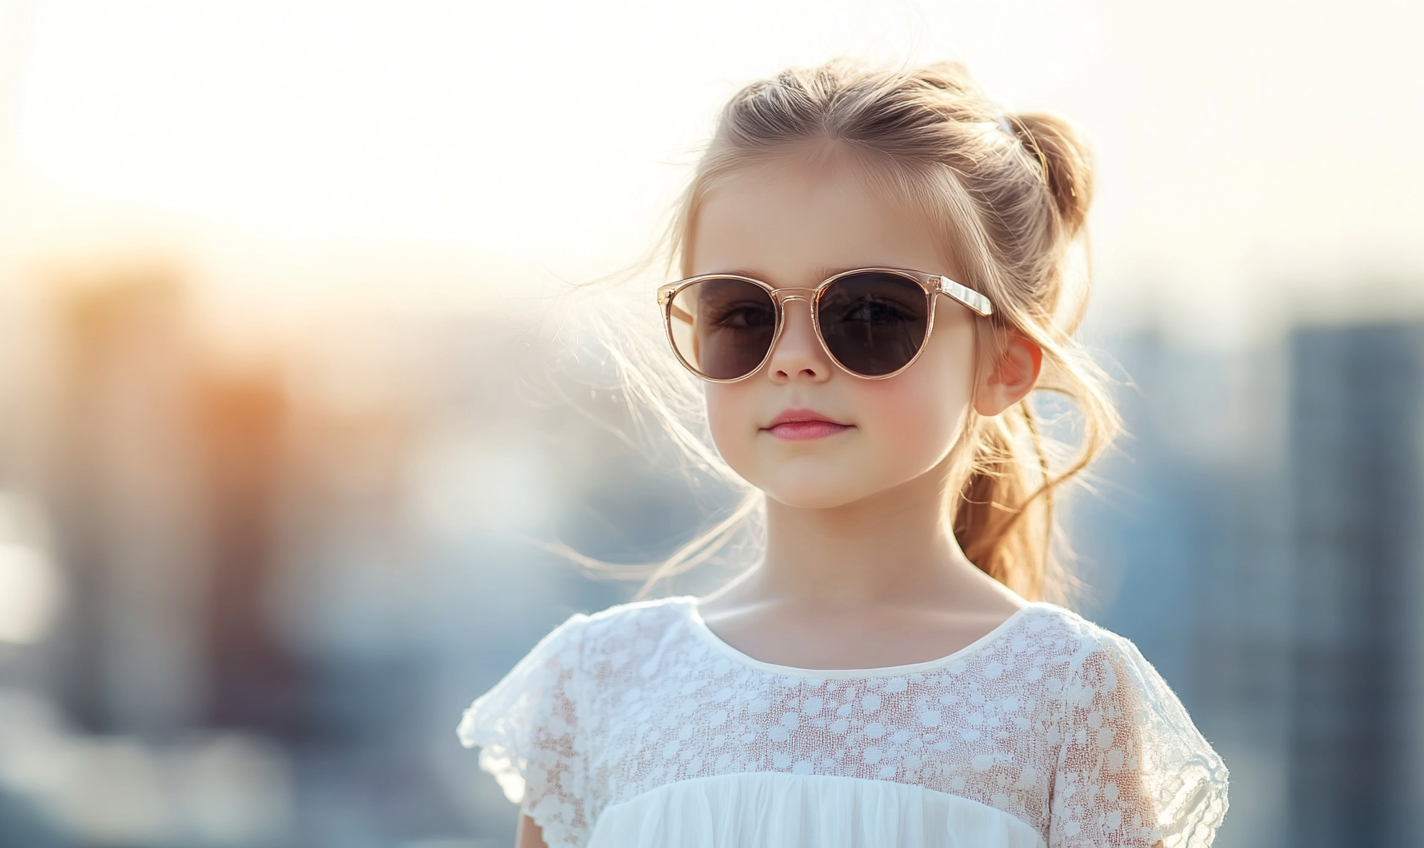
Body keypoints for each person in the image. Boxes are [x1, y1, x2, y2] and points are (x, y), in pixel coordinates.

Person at [457, 59, 1230, 848]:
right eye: (742, 313)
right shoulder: (595, 683)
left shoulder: (1069, 696)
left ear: (1003, 365)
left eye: (867, 310)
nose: (792, 357)